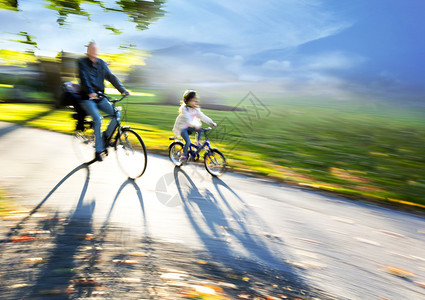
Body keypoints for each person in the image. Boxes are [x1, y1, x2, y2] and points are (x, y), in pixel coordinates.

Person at [77, 41, 130, 161]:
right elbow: (83, 78)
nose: (93, 51)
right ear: (88, 50)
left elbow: (111, 77)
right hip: (86, 98)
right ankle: (98, 150)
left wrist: (123, 90)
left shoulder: (101, 63)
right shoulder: (82, 62)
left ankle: (105, 137)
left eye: (95, 49)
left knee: (117, 113)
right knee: (97, 119)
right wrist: (90, 92)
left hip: (100, 97)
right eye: (91, 49)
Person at [172, 90, 217, 163]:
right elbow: (188, 120)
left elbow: (202, 116)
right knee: (188, 142)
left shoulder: (196, 109)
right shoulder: (185, 109)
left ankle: (197, 141)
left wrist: (211, 122)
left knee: (201, 130)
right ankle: (184, 155)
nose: (194, 103)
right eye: (192, 101)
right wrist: (194, 125)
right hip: (183, 128)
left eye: (195, 101)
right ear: (187, 101)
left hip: (190, 127)